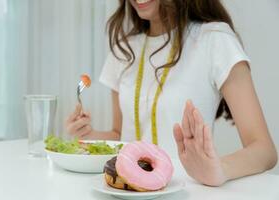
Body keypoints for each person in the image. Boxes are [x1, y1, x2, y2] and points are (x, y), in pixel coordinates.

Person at [65, 0, 277, 186]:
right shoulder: (124, 49)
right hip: (128, 190)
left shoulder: (214, 39)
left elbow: (264, 150)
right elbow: (120, 136)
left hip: (187, 190)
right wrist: (88, 136)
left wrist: (219, 170)